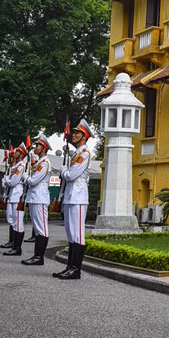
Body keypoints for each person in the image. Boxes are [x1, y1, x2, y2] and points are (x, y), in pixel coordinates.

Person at [54, 120, 93, 280]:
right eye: (74, 132)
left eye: (78, 133)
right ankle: (69, 267)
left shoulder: (85, 154)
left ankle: (76, 269)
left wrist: (63, 170)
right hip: (71, 195)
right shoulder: (77, 154)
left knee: (78, 234)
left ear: (84, 137)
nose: (74, 135)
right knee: (71, 234)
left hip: (78, 196)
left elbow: (71, 175)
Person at [21, 137, 52, 267]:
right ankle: (36, 255)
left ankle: (39, 257)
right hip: (34, 196)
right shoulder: (39, 162)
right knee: (37, 228)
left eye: (38, 146)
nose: (35, 148)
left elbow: (33, 181)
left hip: (40, 196)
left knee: (42, 228)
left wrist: (25, 177)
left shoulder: (45, 163)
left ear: (44, 148)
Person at [2, 143, 29, 257]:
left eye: (17, 152)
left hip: (17, 195)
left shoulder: (21, 166)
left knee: (17, 222)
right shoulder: (16, 166)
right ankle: (13, 244)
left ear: (22, 154)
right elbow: (8, 183)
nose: (14, 153)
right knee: (11, 220)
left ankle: (17, 247)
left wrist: (6, 180)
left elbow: (11, 182)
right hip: (12, 195)